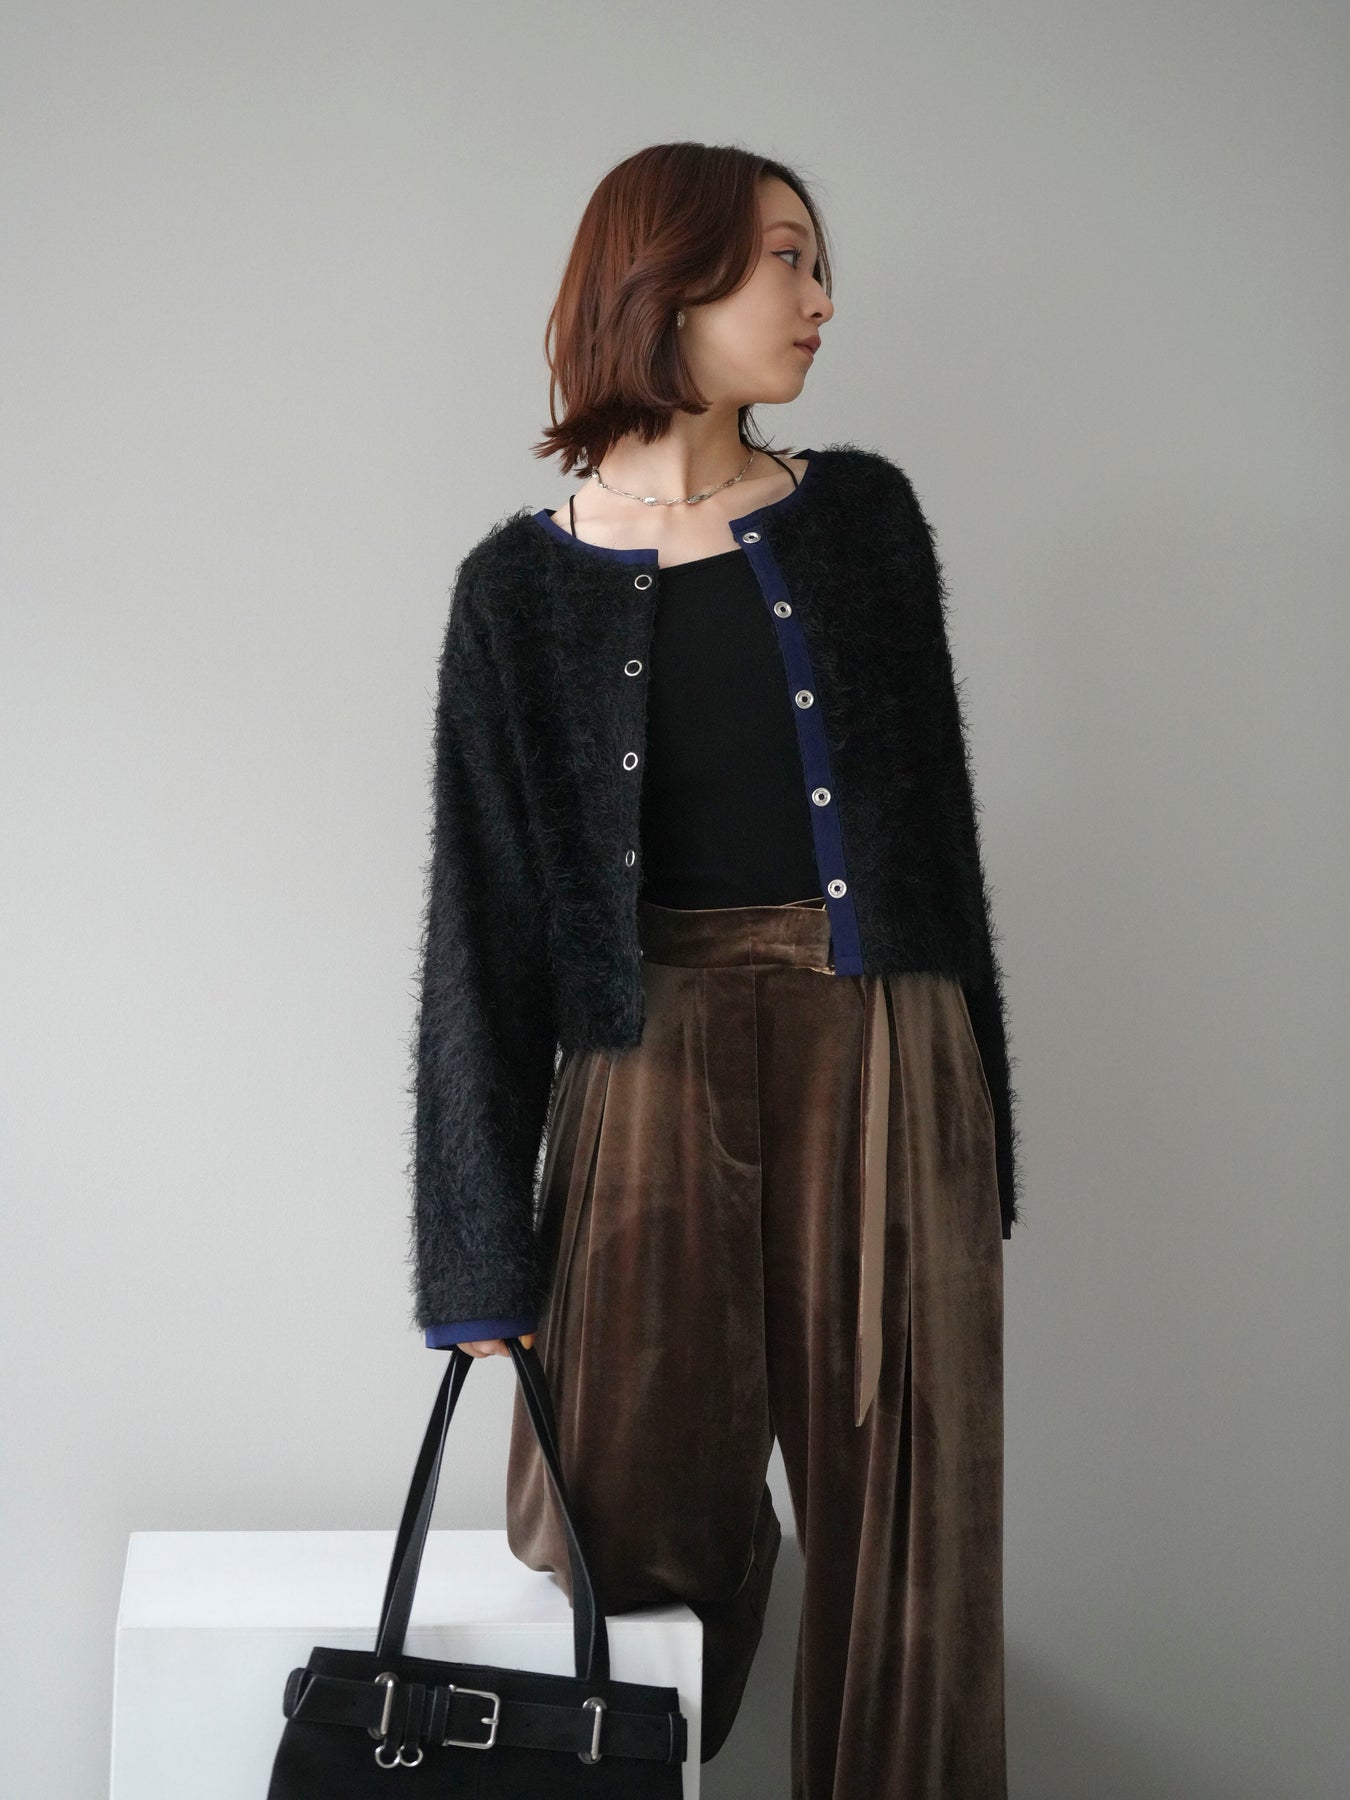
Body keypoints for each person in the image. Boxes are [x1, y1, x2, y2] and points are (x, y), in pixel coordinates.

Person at [408, 140, 1019, 1797]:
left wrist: (971, 1135)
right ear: (666, 279)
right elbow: (484, 924)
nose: (820, 299)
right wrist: (478, 1255)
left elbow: (938, 844)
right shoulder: (514, 592)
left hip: (879, 1042)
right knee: (614, 1525)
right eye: (784, 260)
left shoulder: (861, 521)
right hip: (645, 1056)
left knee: (911, 1553)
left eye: (819, 264)